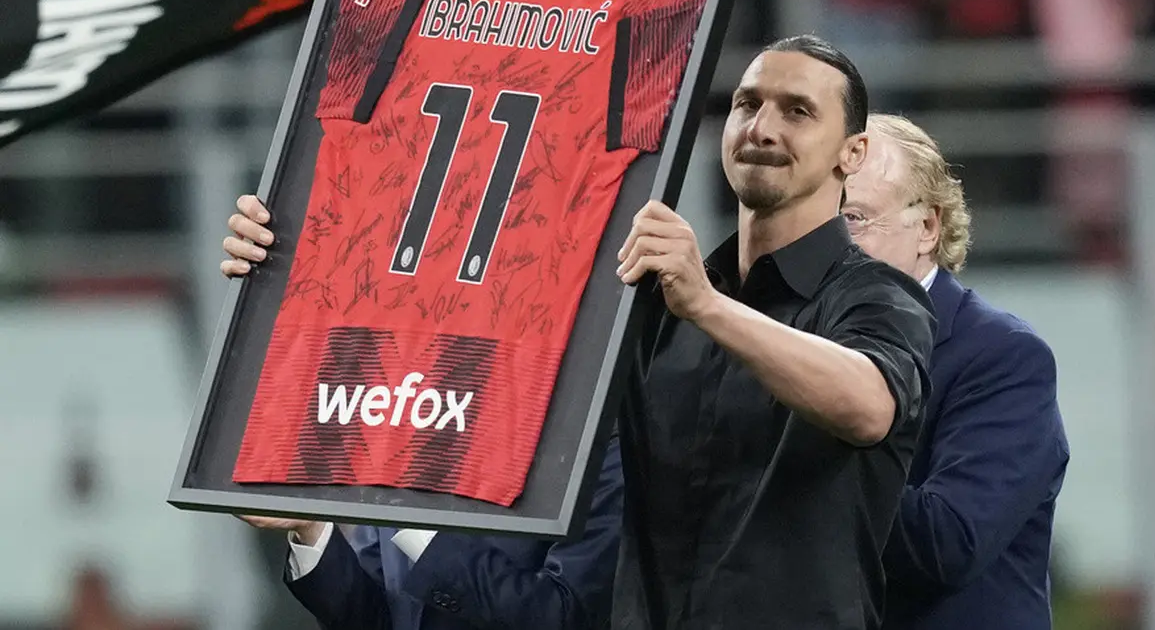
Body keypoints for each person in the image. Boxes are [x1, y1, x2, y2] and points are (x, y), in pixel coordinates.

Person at [611, 35, 936, 629]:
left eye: (798, 111)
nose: (761, 129)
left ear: (853, 153)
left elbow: (869, 407)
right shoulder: (662, 298)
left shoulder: (878, 295)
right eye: (747, 104)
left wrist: (708, 307)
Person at [220, 199, 623, 630]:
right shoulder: (405, 424)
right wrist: (312, 528)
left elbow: (562, 615)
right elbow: (380, 617)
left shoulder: (594, 442)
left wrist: (419, 527)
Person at [841, 113, 1069, 630]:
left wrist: (806, 442)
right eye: (818, 220)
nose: (832, 242)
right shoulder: (793, 338)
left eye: (854, 217)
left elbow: (948, 544)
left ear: (927, 227)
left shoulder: (1003, 356)